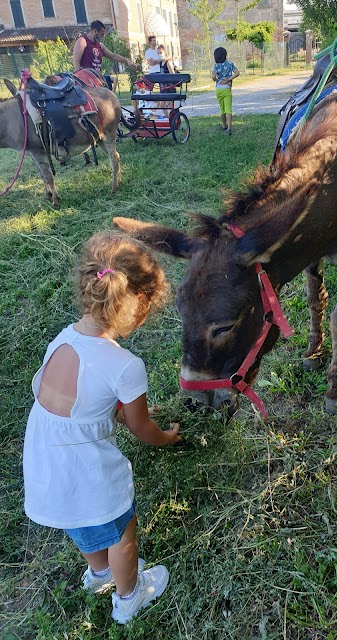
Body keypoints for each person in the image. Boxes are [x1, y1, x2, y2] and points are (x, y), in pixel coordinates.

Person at [23, 231, 181, 625]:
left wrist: (121, 410)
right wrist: (165, 435)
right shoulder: (126, 366)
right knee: (122, 533)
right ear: (139, 305)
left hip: (46, 465)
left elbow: (80, 404)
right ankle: (129, 597)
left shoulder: (62, 339)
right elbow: (142, 428)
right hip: (87, 471)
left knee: (84, 524)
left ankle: (98, 574)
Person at [73, 20, 136, 93]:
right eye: (101, 34)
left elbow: (112, 56)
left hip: (97, 79)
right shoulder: (82, 41)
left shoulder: (100, 45)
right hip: (86, 80)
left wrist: (126, 61)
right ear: (95, 31)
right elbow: (76, 61)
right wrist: (81, 80)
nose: (103, 37)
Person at [212, 47, 239, 136]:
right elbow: (237, 73)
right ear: (225, 55)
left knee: (222, 108)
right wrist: (228, 79)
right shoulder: (230, 64)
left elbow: (213, 77)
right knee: (228, 109)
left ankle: (224, 125)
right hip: (227, 88)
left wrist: (216, 80)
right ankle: (229, 128)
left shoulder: (216, 66)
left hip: (219, 89)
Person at [157, 44, 176, 117]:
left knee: (170, 104)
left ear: (165, 52)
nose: (159, 54)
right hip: (163, 87)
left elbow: (173, 75)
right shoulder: (160, 63)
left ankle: (173, 120)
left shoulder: (168, 62)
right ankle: (168, 118)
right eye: (158, 53)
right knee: (162, 105)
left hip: (169, 87)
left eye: (161, 53)